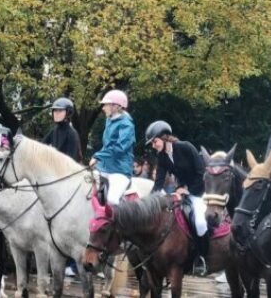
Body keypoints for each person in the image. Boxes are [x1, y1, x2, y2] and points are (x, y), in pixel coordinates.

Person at [146, 120, 209, 275]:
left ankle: (202, 258)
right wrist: (147, 202)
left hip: (200, 190)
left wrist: (188, 190)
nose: (153, 146)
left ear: (165, 137)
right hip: (181, 192)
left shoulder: (185, 147)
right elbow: (158, 184)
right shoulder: (161, 157)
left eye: (155, 142)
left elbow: (202, 173)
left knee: (200, 221)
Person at [89, 90, 134, 205]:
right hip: (104, 167)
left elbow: (119, 149)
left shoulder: (127, 125)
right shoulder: (109, 120)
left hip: (120, 170)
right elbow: (107, 146)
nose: (103, 108)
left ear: (116, 106)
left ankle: (118, 222)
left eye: (106, 105)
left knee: (112, 200)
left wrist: (97, 156)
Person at [42, 97, 82, 162]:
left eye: (60, 111)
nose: (56, 113)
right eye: (55, 110)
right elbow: (41, 146)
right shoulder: (54, 130)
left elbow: (71, 161)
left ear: (68, 113)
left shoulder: (72, 134)